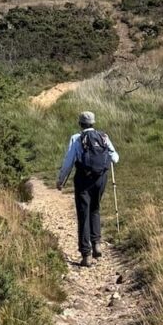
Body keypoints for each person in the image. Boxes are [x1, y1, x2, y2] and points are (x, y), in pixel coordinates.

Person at [56, 111, 119, 267]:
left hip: (83, 180)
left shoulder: (76, 139)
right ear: (93, 123)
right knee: (95, 209)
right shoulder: (104, 137)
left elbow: (69, 162)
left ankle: (86, 255)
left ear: (80, 124)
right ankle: (96, 243)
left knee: (83, 213)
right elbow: (115, 158)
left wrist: (61, 180)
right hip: (100, 179)